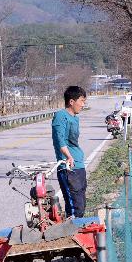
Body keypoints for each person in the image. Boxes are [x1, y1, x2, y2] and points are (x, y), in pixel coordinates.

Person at [52, 85, 87, 218]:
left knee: (82, 204)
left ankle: (77, 231)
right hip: (68, 167)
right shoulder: (61, 116)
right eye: (81, 101)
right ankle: (72, 235)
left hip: (79, 165)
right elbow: (59, 140)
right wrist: (68, 156)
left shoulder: (75, 118)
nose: (83, 105)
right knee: (75, 207)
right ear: (71, 101)